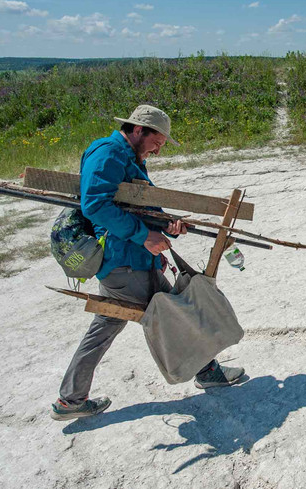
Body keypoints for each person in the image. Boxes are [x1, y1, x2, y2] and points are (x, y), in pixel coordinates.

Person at [51, 105, 245, 421]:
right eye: (158, 141)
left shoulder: (129, 158)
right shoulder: (108, 153)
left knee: (167, 312)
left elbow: (138, 208)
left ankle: (71, 399)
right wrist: (144, 236)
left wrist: (168, 226)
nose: (159, 148)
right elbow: (95, 206)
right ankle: (70, 399)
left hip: (137, 261)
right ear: (140, 130)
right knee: (172, 312)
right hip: (125, 262)